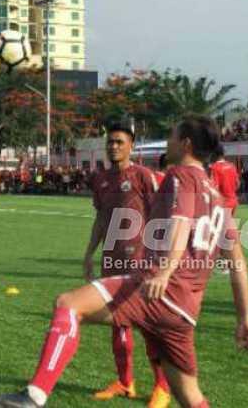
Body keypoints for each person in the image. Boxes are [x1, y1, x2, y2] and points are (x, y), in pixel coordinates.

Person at [0, 115, 248, 408]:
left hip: (157, 290)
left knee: (68, 305)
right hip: (185, 310)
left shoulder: (179, 176)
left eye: (172, 135)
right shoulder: (217, 196)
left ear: (186, 143)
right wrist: (244, 319)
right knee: (191, 396)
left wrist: (163, 272)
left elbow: (180, 224)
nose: (168, 141)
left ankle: (33, 397)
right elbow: (238, 265)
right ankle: (122, 381)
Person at [85, 124, 170, 407]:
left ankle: (162, 386)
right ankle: (125, 382)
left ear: (131, 145)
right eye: (110, 142)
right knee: (118, 323)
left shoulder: (143, 176)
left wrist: (159, 259)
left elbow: (162, 216)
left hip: (141, 261)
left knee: (148, 324)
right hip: (112, 258)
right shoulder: (100, 179)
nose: (114, 147)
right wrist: (89, 254)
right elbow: (101, 220)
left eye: (120, 142)